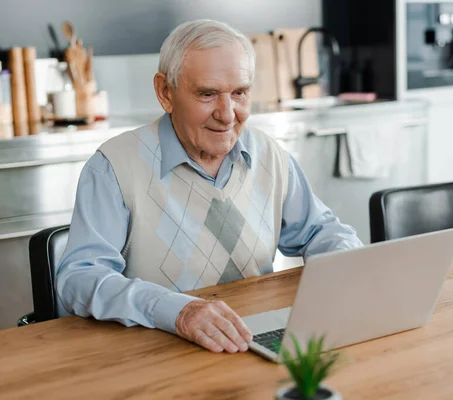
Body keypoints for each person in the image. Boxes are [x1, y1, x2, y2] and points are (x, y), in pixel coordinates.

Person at [56, 19, 362, 354]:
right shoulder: (113, 166)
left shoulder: (269, 155)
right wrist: (178, 311)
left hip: (252, 341)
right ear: (165, 92)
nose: (227, 114)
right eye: (207, 94)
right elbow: (80, 279)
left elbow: (322, 231)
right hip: (155, 353)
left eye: (239, 93)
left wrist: (349, 267)